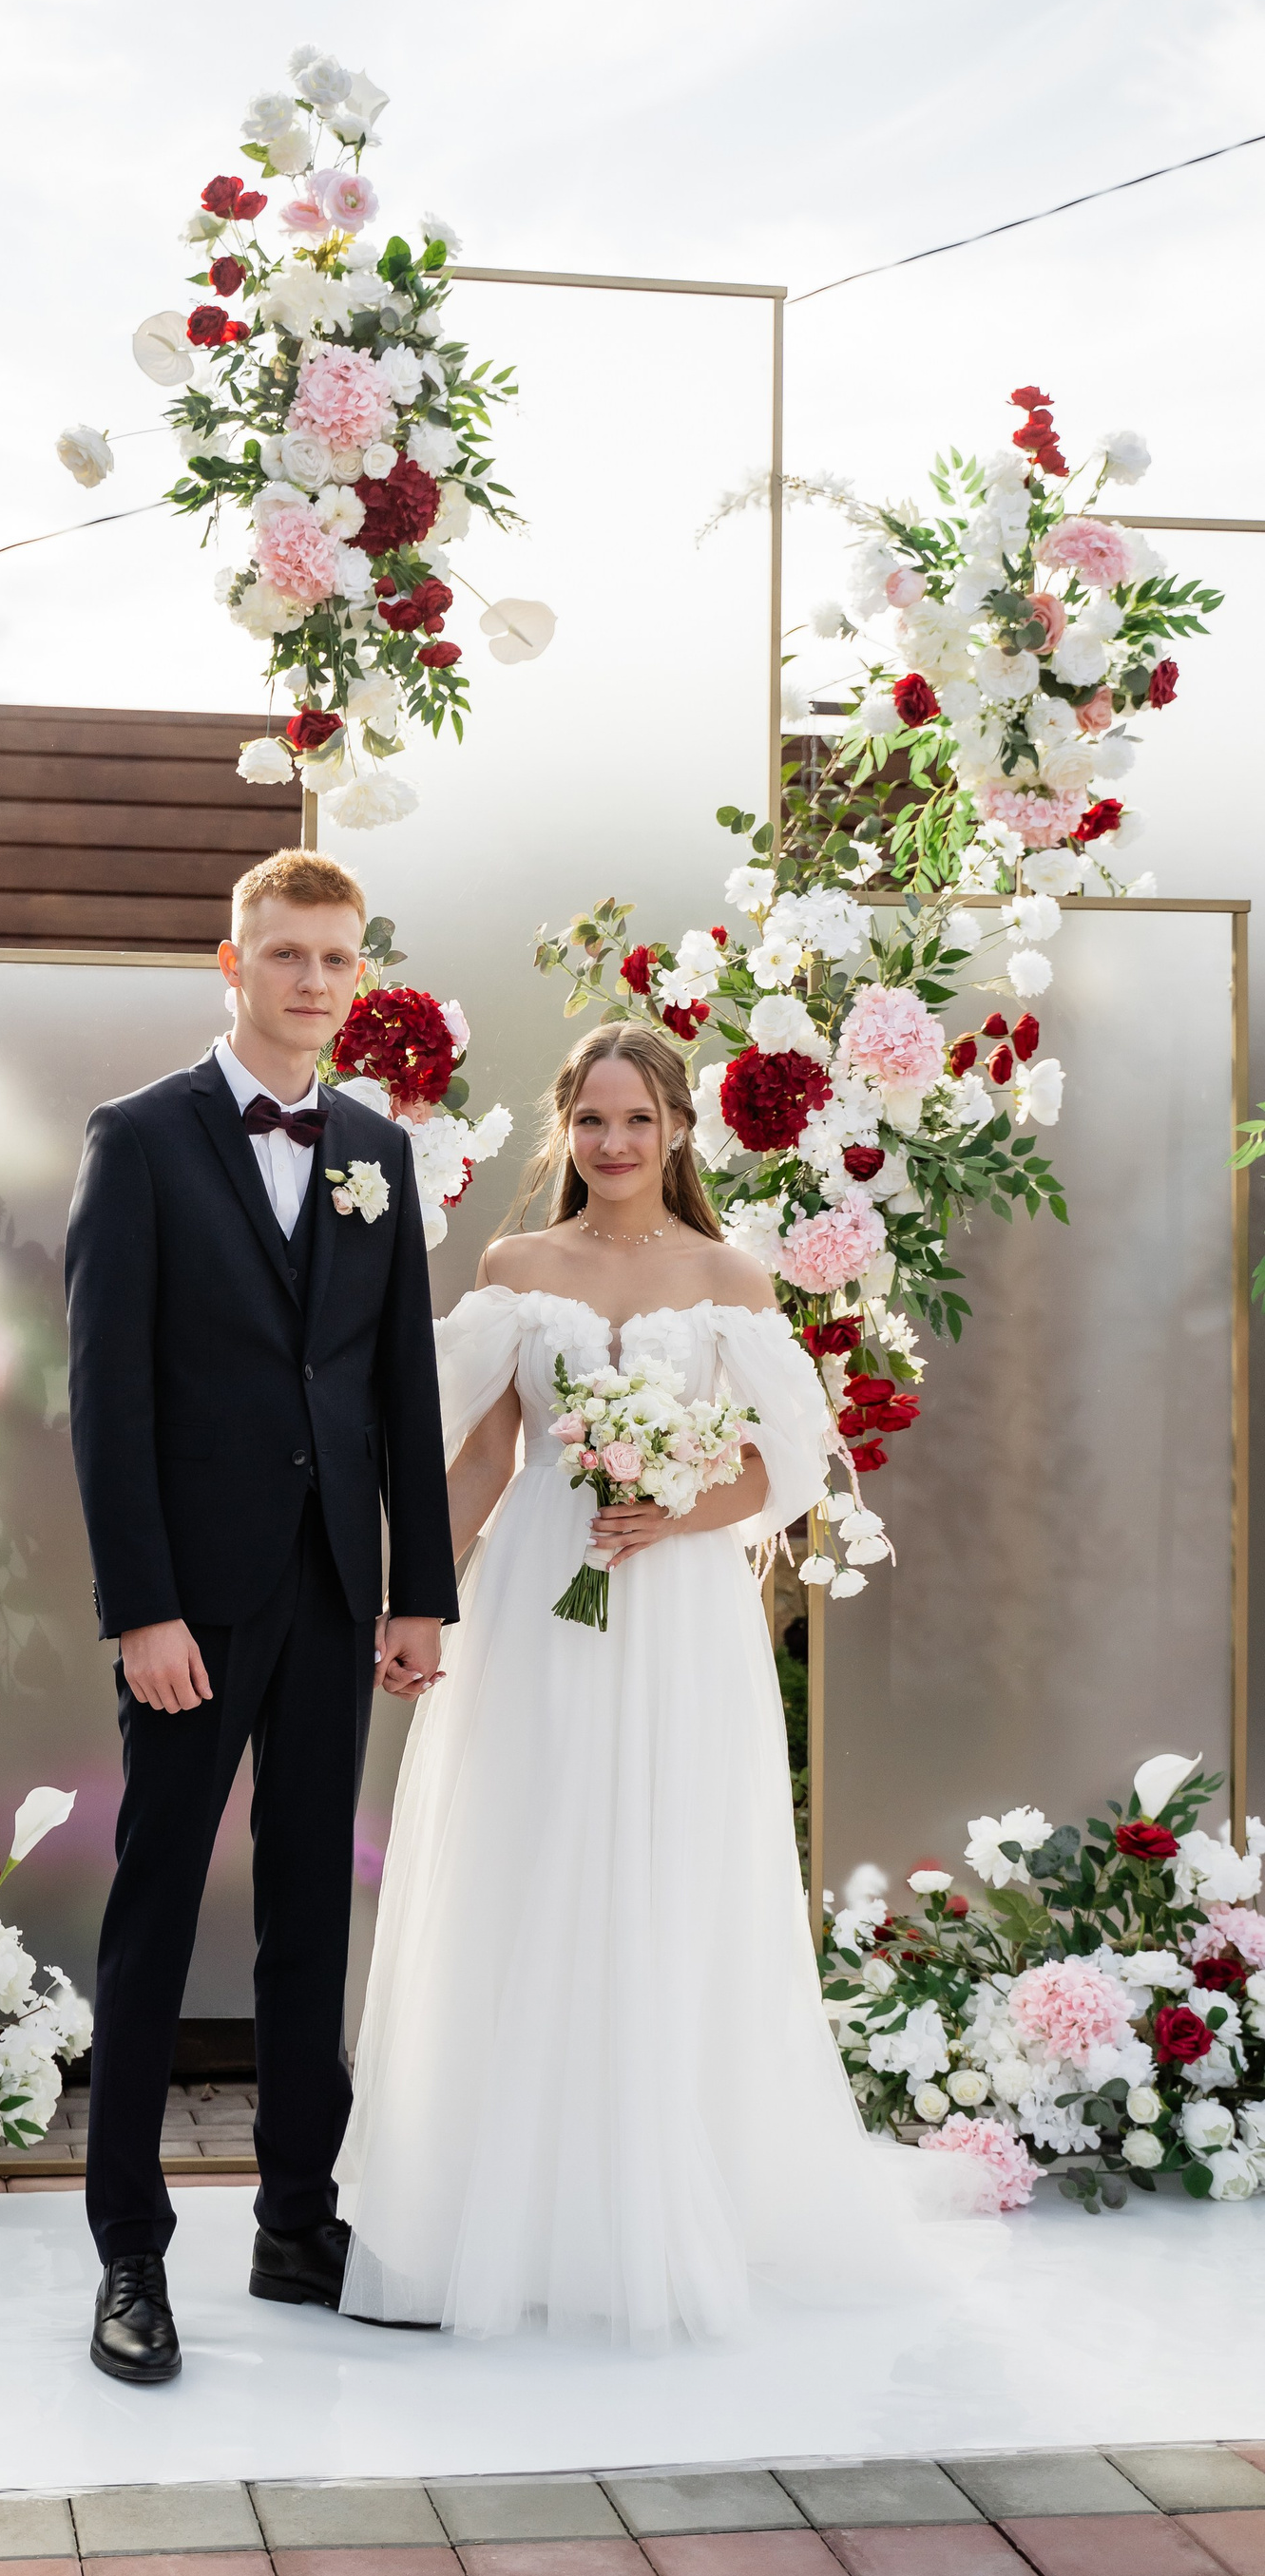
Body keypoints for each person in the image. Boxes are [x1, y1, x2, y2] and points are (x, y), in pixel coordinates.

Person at [337, 1020, 981, 2350]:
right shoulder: (518, 1270)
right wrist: (417, 1601)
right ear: (563, 1130)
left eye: (638, 1119)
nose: (615, 1142)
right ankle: (506, 2210)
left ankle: (661, 2201)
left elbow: (781, 1467)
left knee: (664, 1871)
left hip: (677, 1610)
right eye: (592, 1120)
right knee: (528, 1861)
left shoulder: (729, 1277)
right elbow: (482, 1458)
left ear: (680, 1129)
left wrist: (676, 1509)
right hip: (537, 1598)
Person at [64, 847, 459, 2384]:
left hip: (335, 1593)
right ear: (233, 965)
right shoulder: (140, 1139)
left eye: (337, 957)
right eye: (286, 953)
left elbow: (399, 1383)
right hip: (194, 1605)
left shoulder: (377, 1150)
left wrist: (417, 1592)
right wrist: (142, 1609)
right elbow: (105, 1397)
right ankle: (129, 2251)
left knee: (311, 1906)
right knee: (158, 1911)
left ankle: (299, 2219)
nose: (312, 980)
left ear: (361, 976)